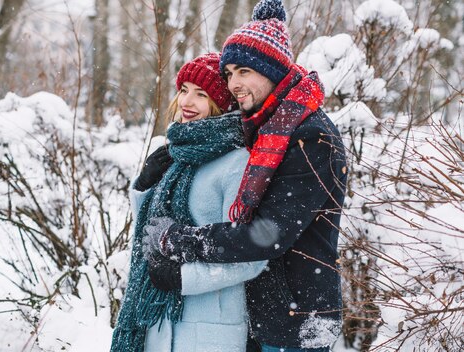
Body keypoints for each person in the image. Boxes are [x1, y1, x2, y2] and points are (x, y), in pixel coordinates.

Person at [143, 0, 348, 351]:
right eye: (229, 73)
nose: (234, 84)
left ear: (271, 70)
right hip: (260, 315)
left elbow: (267, 235)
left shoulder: (311, 136)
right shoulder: (262, 128)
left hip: (297, 324)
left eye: (244, 71)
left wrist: (179, 240)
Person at [110, 52, 267, 352]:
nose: (187, 102)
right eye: (184, 90)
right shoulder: (174, 154)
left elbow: (250, 257)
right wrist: (144, 186)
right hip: (156, 323)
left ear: (221, 103)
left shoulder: (237, 164)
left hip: (209, 333)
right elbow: (152, 232)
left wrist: (183, 277)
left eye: (201, 94)